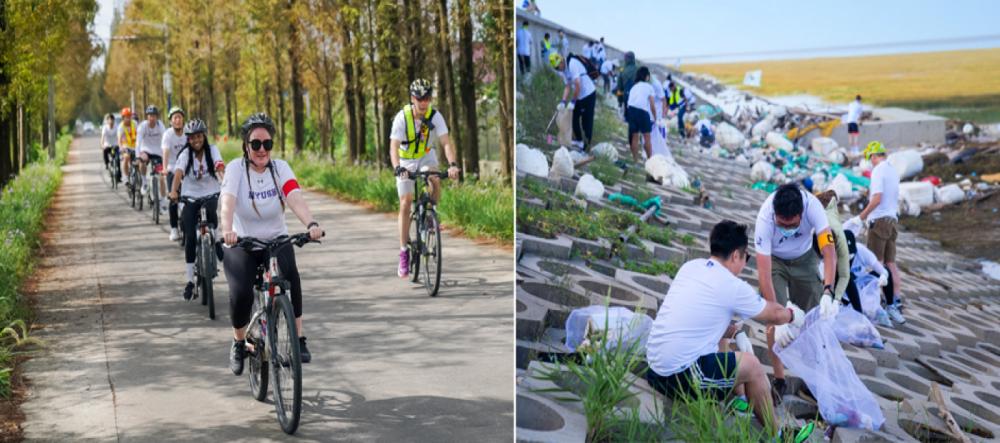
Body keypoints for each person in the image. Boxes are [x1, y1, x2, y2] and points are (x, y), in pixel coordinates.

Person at [646, 220, 816, 442]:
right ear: (736, 255)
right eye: (746, 257)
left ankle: (742, 400)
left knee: (727, 334)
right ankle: (780, 436)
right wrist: (794, 315)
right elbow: (773, 314)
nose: (745, 263)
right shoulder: (731, 285)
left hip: (654, 366)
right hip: (677, 377)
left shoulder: (692, 266)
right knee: (753, 366)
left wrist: (733, 332)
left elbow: (699, 318)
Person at [220, 113, 323, 373]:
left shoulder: (280, 168)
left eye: (267, 144)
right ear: (246, 146)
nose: (262, 150)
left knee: (292, 276)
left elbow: (294, 197)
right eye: (256, 144)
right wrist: (227, 230)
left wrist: (310, 224)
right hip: (242, 242)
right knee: (241, 292)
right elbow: (227, 203)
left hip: (276, 239)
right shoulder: (235, 170)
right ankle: (239, 341)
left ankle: (298, 339)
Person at [754, 183, 839, 400]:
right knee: (774, 320)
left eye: (791, 225)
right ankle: (780, 378)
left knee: (814, 319)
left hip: (805, 259)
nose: (786, 228)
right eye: (781, 224)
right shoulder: (765, 217)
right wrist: (777, 315)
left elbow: (829, 252)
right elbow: (764, 274)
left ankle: (812, 378)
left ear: (801, 214)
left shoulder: (813, 207)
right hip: (775, 261)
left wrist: (829, 290)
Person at [389, 79, 461, 278]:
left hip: (426, 156)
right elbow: (393, 147)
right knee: (406, 202)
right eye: (419, 99)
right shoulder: (401, 118)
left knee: (435, 178)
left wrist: (453, 165)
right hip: (405, 160)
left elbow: (446, 143)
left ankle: (431, 214)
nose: (423, 102)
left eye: (427, 98)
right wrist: (398, 168)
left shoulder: (435, 116)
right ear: (413, 99)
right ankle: (403, 251)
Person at [167, 119, 224, 301]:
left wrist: (224, 178)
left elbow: (219, 166)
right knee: (190, 236)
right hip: (190, 196)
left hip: (210, 193)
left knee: (212, 218)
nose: (196, 140)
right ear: (188, 140)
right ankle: (190, 281)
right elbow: (178, 174)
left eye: (198, 136)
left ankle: (214, 242)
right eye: (192, 138)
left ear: (203, 136)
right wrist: (174, 191)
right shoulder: (185, 155)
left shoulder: (212, 150)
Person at [848, 141, 904, 324]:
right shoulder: (892, 170)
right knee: (891, 263)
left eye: (869, 158)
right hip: (892, 221)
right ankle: (895, 301)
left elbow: (877, 198)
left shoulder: (878, 170)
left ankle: (877, 304)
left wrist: (861, 217)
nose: (870, 162)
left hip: (879, 221)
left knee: (877, 263)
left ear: (873, 156)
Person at [813, 191, 854, 312]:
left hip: (831, 221)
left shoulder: (841, 241)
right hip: (820, 210)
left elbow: (845, 275)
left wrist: (836, 299)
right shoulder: (811, 228)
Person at [550, 53, 597, 152]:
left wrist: (572, 101)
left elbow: (578, 85)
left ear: (562, 61)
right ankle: (579, 140)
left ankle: (586, 147)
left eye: (558, 67)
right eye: (556, 69)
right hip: (579, 95)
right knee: (574, 117)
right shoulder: (563, 70)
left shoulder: (572, 64)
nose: (559, 70)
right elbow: (567, 86)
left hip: (588, 94)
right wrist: (563, 101)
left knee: (586, 121)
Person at [162, 106, 188, 241]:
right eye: (175, 118)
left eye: (180, 117)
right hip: (172, 168)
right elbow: (165, 151)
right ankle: (173, 228)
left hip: (186, 169)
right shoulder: (168, 134)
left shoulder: (188, 132)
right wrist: (165, 168)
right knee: (173, 197)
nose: (178, 120)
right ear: (171, 121)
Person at [136, 105, 167, 206]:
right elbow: (138, 142)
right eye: (149, 116)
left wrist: (167, 156)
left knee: (162, 176)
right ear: (147, 117)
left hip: (158, 153)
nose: (151, 118)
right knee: (142, 161)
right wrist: (137, 156)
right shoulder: (142, 126)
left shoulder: (160, 126)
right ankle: (144, 182)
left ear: (156, 117)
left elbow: (166, 140)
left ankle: (162, 200)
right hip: (146, 151)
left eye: (153, 116)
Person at [626, 67, 656, 161]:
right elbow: (652, 105)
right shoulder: (649, 87)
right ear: (646, 77)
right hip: (642, 112)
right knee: (647, 138)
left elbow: (629, 102)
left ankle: (635, 159)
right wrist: (655, 117)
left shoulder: (634, 86)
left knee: (635, 136)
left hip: (631, 110)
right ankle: (650, 160)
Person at [117, 107, 137, 186]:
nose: (128, 118)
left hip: (135, 146)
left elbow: (140, 135)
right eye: (126, 117)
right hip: (126, 146)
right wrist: (121, 148)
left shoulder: (134, 123)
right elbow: (119, 139)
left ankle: (140, 178)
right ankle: (125, 177)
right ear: (123, 117)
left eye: (129, 116)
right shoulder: (121, 127)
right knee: (126, 157)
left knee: (140, 161)